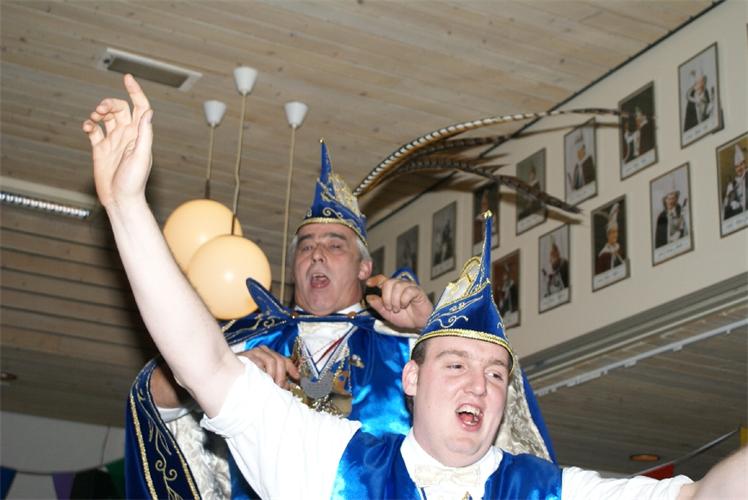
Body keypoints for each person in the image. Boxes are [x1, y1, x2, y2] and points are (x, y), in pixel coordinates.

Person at [85, 75, 746, 500]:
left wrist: (432, 329)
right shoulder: (333, 467)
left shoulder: (537, 490)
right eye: (455, 365)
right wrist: (126, 206)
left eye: (494, 374)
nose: (478, 385)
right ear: (414, 378)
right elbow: (198, 361)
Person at [122, 117, 436, 496]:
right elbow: (151, 400)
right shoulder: (249, 339)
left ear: (364, 268)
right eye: (306, 246)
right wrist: (226, 369)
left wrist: (430, 327)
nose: (316, 254)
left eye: (334, 245)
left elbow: (480, 394)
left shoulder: (407, 344)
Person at [595, 203, 626, 275]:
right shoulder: (603, 256)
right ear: (608, 235)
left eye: (616, 232)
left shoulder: (620, 251)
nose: (615, 235)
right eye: (613, 232)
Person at [723, 144, 747, 220]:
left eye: (741, 164)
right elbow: (725, 206)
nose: (739, 168)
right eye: (737, 166)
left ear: (745, 164)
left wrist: (741, 205)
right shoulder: (731, 185)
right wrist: (730, 202)